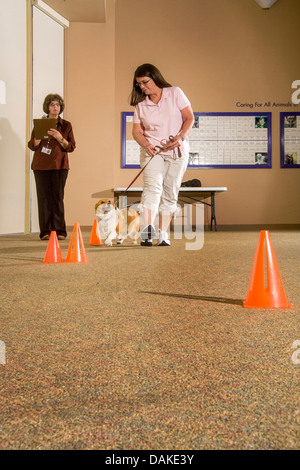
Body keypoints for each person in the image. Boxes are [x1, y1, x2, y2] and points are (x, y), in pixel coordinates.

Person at [130, 64, 194, 246]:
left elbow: (189, 118)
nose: (142, 87)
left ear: (155, 77)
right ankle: (147, 232)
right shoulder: (141, 105)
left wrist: (181, 137)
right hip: (153, 152)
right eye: (139, 84)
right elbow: (136, 131)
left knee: (170, 192)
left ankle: (163, 233)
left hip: (177, 151)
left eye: (145, 82)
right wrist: (146, 144)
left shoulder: (175, 93)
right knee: (152, 189)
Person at [28, 94, 76, 240]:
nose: (55, 107)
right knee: (43, 199)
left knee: (57, 198)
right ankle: (45, 232)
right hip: (40, 166)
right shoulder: (39, 124)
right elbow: (32, 146)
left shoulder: (66, 125)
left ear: (60, 108)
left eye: (58, 105)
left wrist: (60, 138)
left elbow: (71, 146)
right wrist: (37, 139)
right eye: (52, 104)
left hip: (59, 166)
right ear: (47, 107)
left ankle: (60, 231)